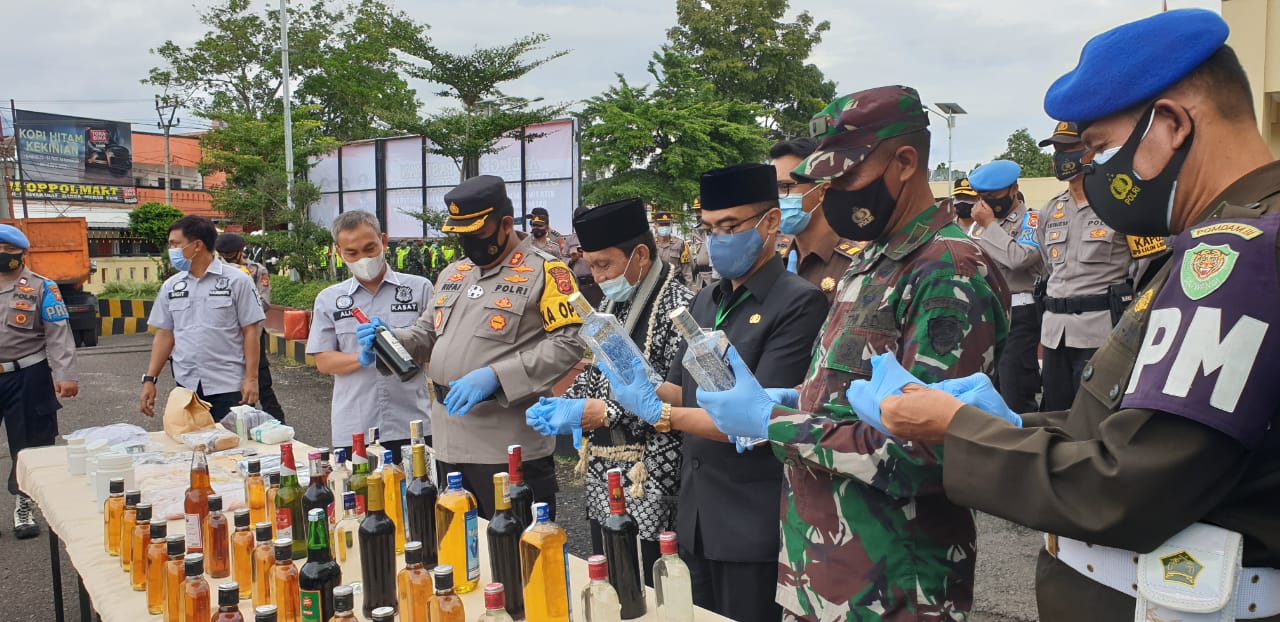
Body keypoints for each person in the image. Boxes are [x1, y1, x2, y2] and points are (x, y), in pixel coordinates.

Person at [879, 10, 1280, 622]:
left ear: (1170, 124)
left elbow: (1131, 484)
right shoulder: (1225, 238)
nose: (1089, 173)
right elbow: (1135, 424)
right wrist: (1013, 423)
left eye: (1097, 148)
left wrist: (957, 429)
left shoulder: (1237, 255)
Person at [691, 86, 1011, 620]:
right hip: (821, 572)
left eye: (846, 177)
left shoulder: (947, 270)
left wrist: (775, 421)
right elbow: (854, 395)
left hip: (894, 583)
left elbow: (923, 455)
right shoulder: (873, 263)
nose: (833, 193)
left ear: (904, 162)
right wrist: (799, 396)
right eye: (827, 180)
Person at [601, 164, 828, 622]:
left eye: (730, 226)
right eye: (708, 228)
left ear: (769, 223)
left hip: (753, 517)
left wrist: (660, 414)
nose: (717, 239)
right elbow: (685, 392)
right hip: (698, 514)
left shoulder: (798, 303)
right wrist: (639, 381)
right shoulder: (708, 299)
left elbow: (755, 420)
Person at [365, 175, 585, 518]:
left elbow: (569, 344)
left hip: (507, 446)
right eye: (460, 235)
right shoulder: (454, 273)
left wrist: (498, 376)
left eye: (477, 233)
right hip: (447, 441)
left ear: (506, 224)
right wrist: (389, 341)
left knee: (513, 556)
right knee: (462, 554)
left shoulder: (547, 272)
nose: (468, 244)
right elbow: (426, 334)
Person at [525, 197, 695, 585]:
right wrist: (566, 403)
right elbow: (600, 371)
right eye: (591, 265)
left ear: (639, 255)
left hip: (654, 477)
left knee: (652, 584)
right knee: (611, 578)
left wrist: (606, 413)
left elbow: (676, 394)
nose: (597, 277)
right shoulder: (617, 304)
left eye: (605, 265)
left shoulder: (680, 307)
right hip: (605, 473)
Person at [1034, 121, 1164, 410]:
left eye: (1069, 148)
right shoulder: (1049, 210)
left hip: (1101, 333)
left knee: (1094, 417)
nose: (1060, 157)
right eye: (1057, 150)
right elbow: (1049, 265)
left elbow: (1147, 271)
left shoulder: (1121, 203)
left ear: (1090, 151)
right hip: (1055, 334)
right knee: (1055, 416)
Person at [306, 211, 433, 457]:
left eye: (370, 248)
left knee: (417, 493)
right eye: (352, 252)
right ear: (339, 251)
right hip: (355, 426)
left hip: (411, 422)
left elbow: (434, 348)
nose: (363, 258)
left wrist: (401, 343)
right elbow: (322, 360)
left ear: (383, 241)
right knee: (361, 494)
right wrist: (360, 358)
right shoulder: (329, 299)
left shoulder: (419, 289)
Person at [141, 216, 265, 422]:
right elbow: (165, 334)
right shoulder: (172, 286)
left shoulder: (237, 281)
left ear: (197, 245)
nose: (171, 250)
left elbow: (250, 332)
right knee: (192, 448)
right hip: (187, 386)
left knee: (233, 449)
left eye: (175, 244)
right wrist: (150, 379)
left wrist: (251, 379)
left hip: (229, 386)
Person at [0, 224, 78, 538]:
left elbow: (58, 335)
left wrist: (65, 375)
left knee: (29, 446)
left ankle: (24, 507)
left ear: (22, 253)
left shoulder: (42, 287)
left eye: (8, 251)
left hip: (28, 375)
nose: (2, 256)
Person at [966, 159, 1044, 413]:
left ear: (1013, 189)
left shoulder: (1032, 220)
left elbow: (1019, 258)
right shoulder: (977, 226)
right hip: (983, 314)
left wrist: (990, 226)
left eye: (994, 195)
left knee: (1015, 392)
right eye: (982, 196)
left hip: (1018, 314)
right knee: (984, 391)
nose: (987, 202)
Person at [769, 137, 862, 304]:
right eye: (772, 188)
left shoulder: (855, 265)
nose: (776, 198)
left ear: (822, 191)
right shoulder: (774, 262)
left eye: (785, 187)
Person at [215, 233, 285, 422]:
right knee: (233, 383)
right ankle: (245, 422)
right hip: (226, 337)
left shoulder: (256, 270)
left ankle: (277, 422)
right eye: (223, 253)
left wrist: (243, 309)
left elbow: (264, 302)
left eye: (230, 253)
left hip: (252, 332)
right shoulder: (214, 270)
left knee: (261, 381)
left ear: (240, 251)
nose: (226, 256)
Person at [653, 211, 693, 285]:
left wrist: (690, 291)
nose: (664, 227)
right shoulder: (650, 245)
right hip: (654, 284)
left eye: (667, 224)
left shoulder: (680, 244)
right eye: (661, 224)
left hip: (675, 283)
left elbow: (687, 271)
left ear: (671, 225)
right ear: (655, 225)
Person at [686, 199, 716, 291]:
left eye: (700, 210)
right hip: (700, 276)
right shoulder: (695, 231)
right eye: (696, 211)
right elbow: (695, 251)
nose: (697, 214)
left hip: (713, 274)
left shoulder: (715, 229)